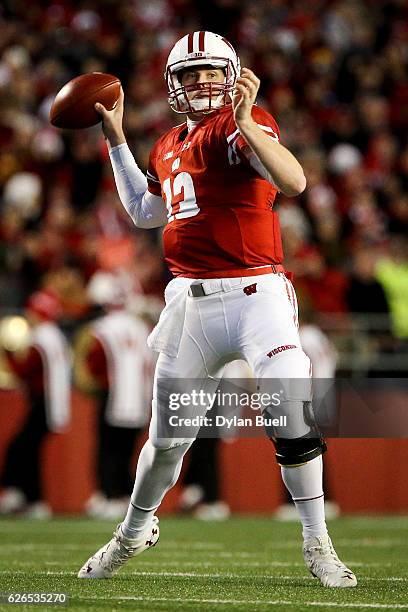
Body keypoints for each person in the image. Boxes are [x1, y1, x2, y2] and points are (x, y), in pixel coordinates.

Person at [78, 31, 356, 587]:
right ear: (172, 84)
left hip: (258, 295)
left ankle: (317, 540)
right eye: (188, 74)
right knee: (165, 444)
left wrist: (251, 123)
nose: (200, 81)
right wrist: (115, 139)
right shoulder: (166, 143)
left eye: (209, 71)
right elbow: (143, 211)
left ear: (231, 74)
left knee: (290, 411)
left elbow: (294, 180)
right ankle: (133, 530)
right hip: (191, 305)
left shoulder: (239, 125)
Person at [75, 271, 153, 519]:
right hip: (139, 398)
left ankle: (107, 494)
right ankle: (124, 496)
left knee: (107, 449)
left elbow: (93, 363)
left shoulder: (99, 329)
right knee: (129, 451)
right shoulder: (142, 328)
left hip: (111, 395)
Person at [0, 290, 71, 518]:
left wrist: (7, 353)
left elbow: (24, 370)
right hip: (51, 401)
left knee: (23, 449)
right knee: (26, 449)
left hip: (43, 402)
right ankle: (25, 495)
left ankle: (30, 497)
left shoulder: (41, 338)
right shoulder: (55, 336)